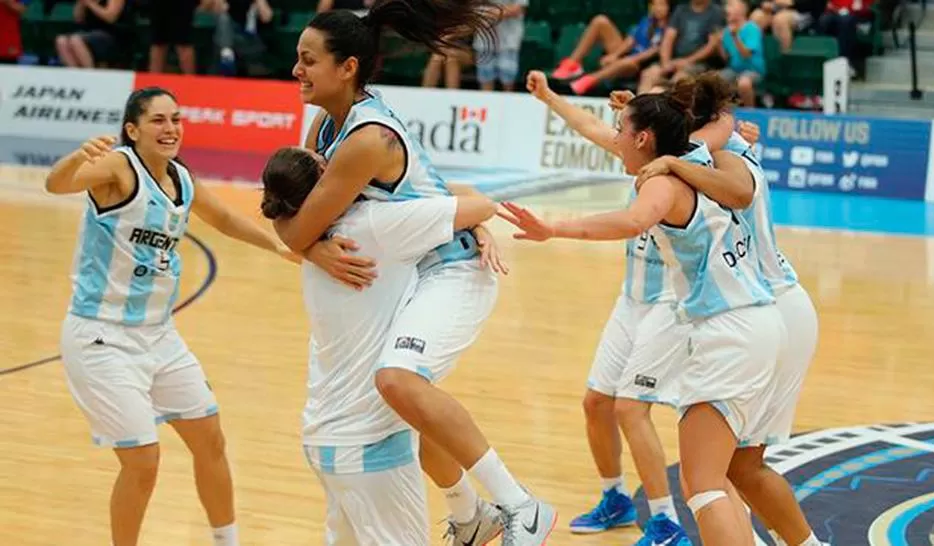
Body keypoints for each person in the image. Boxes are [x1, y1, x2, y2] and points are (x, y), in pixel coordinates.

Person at [274, 2, 557, 545]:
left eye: (308, 60)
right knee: (394, 401)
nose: (297, 70)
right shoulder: (329, 122)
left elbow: (295, 230)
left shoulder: (364, 140)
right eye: (297, 58)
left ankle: (521, 506)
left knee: (397, 380)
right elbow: (292, 218)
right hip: (417, 259)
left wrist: (310, 246)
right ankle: (469, 514)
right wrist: (312, 247)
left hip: (451, 270)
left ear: (348, 67)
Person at [507, 72, 785, 546]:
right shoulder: (673, 162)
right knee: (604, 405)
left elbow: (633, 218)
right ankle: (620, 499)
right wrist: (551, 96)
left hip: (691, 312)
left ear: (644, 136)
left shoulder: (672, 175)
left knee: (674, 450)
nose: (612, 136)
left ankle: (663, 520)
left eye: (623, 129)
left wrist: (554, 227)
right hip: (673, 307)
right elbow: (600, 131)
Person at [44, 87, 300, 546]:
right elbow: (57, 185)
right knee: (142, 462)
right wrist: (73, 158)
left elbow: (222, 219)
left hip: (160, 337)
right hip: (102, 337)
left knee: (211, 440)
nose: (171, 129)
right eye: (159, 121)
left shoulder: (181, 178)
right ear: (132, 130)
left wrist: (279, 246)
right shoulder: (119, 168)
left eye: (176, 119)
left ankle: (228, 541)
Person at [260, 146, 500, 545]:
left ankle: (469, 511)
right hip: (372, 445)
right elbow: (479, 204)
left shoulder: (316, 244)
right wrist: (480, 228)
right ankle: (484, 508)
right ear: (326, 187)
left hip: (323, 438)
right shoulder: (376, 224)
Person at [638, 79, 826, 546]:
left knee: (715, 473)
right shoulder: (709, 154)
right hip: (769, 306)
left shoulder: (726, 158)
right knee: (740, 467)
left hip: (768, 305)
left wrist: (669, 157)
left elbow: (738, 190)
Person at [551, 0, 670, 96]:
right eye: (655, 4)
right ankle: (572, 64)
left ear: (669, 7)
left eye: (662, 5)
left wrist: (624, 60)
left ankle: (590, 79)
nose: (658, 8)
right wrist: (614, 56)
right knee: (600, 21)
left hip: (639, 66)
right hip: (627, 56)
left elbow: (652, 52)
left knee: (627, 62)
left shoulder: (670, 27)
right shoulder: (646, 20)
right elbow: (631, 41)